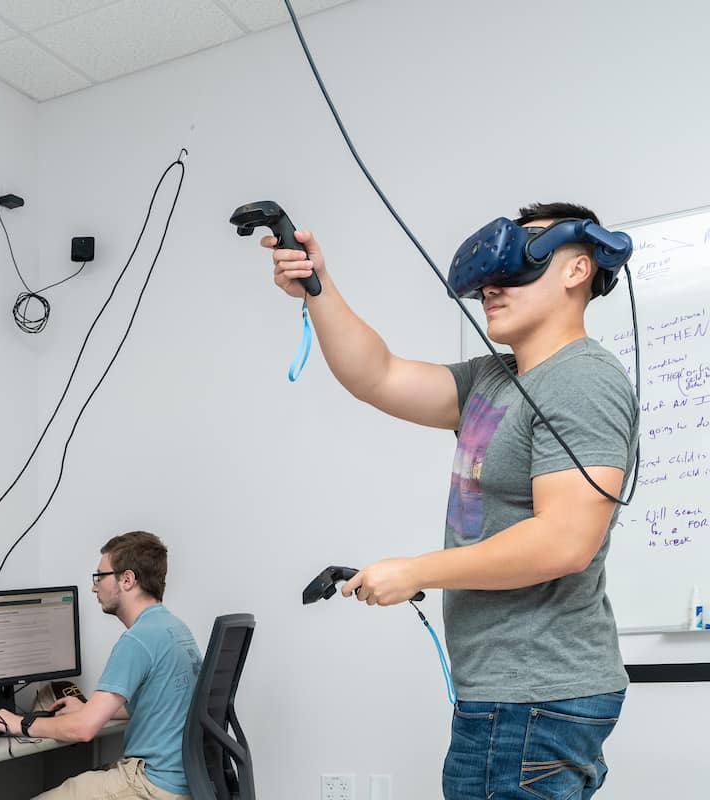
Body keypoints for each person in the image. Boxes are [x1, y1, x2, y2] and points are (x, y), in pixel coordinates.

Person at [264, 202, 638, 800]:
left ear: (576, 269)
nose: (492, 285)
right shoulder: (496, 378)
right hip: (507, 694)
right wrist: (319, 286)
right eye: (488, 276)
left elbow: (564, 541)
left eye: (519, 261)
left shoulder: (582, 378)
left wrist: (415, 571)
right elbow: (377, 375)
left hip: (536, 696)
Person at [0, 530, 202, 800]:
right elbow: (164, 703)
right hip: (183, 782)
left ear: (127, 579)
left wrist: (21, 724)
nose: (94, 586)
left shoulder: (138, 639)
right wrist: (91, 708)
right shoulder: (174, 628)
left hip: (152, 785)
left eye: (100, 576)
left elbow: (83, 729)